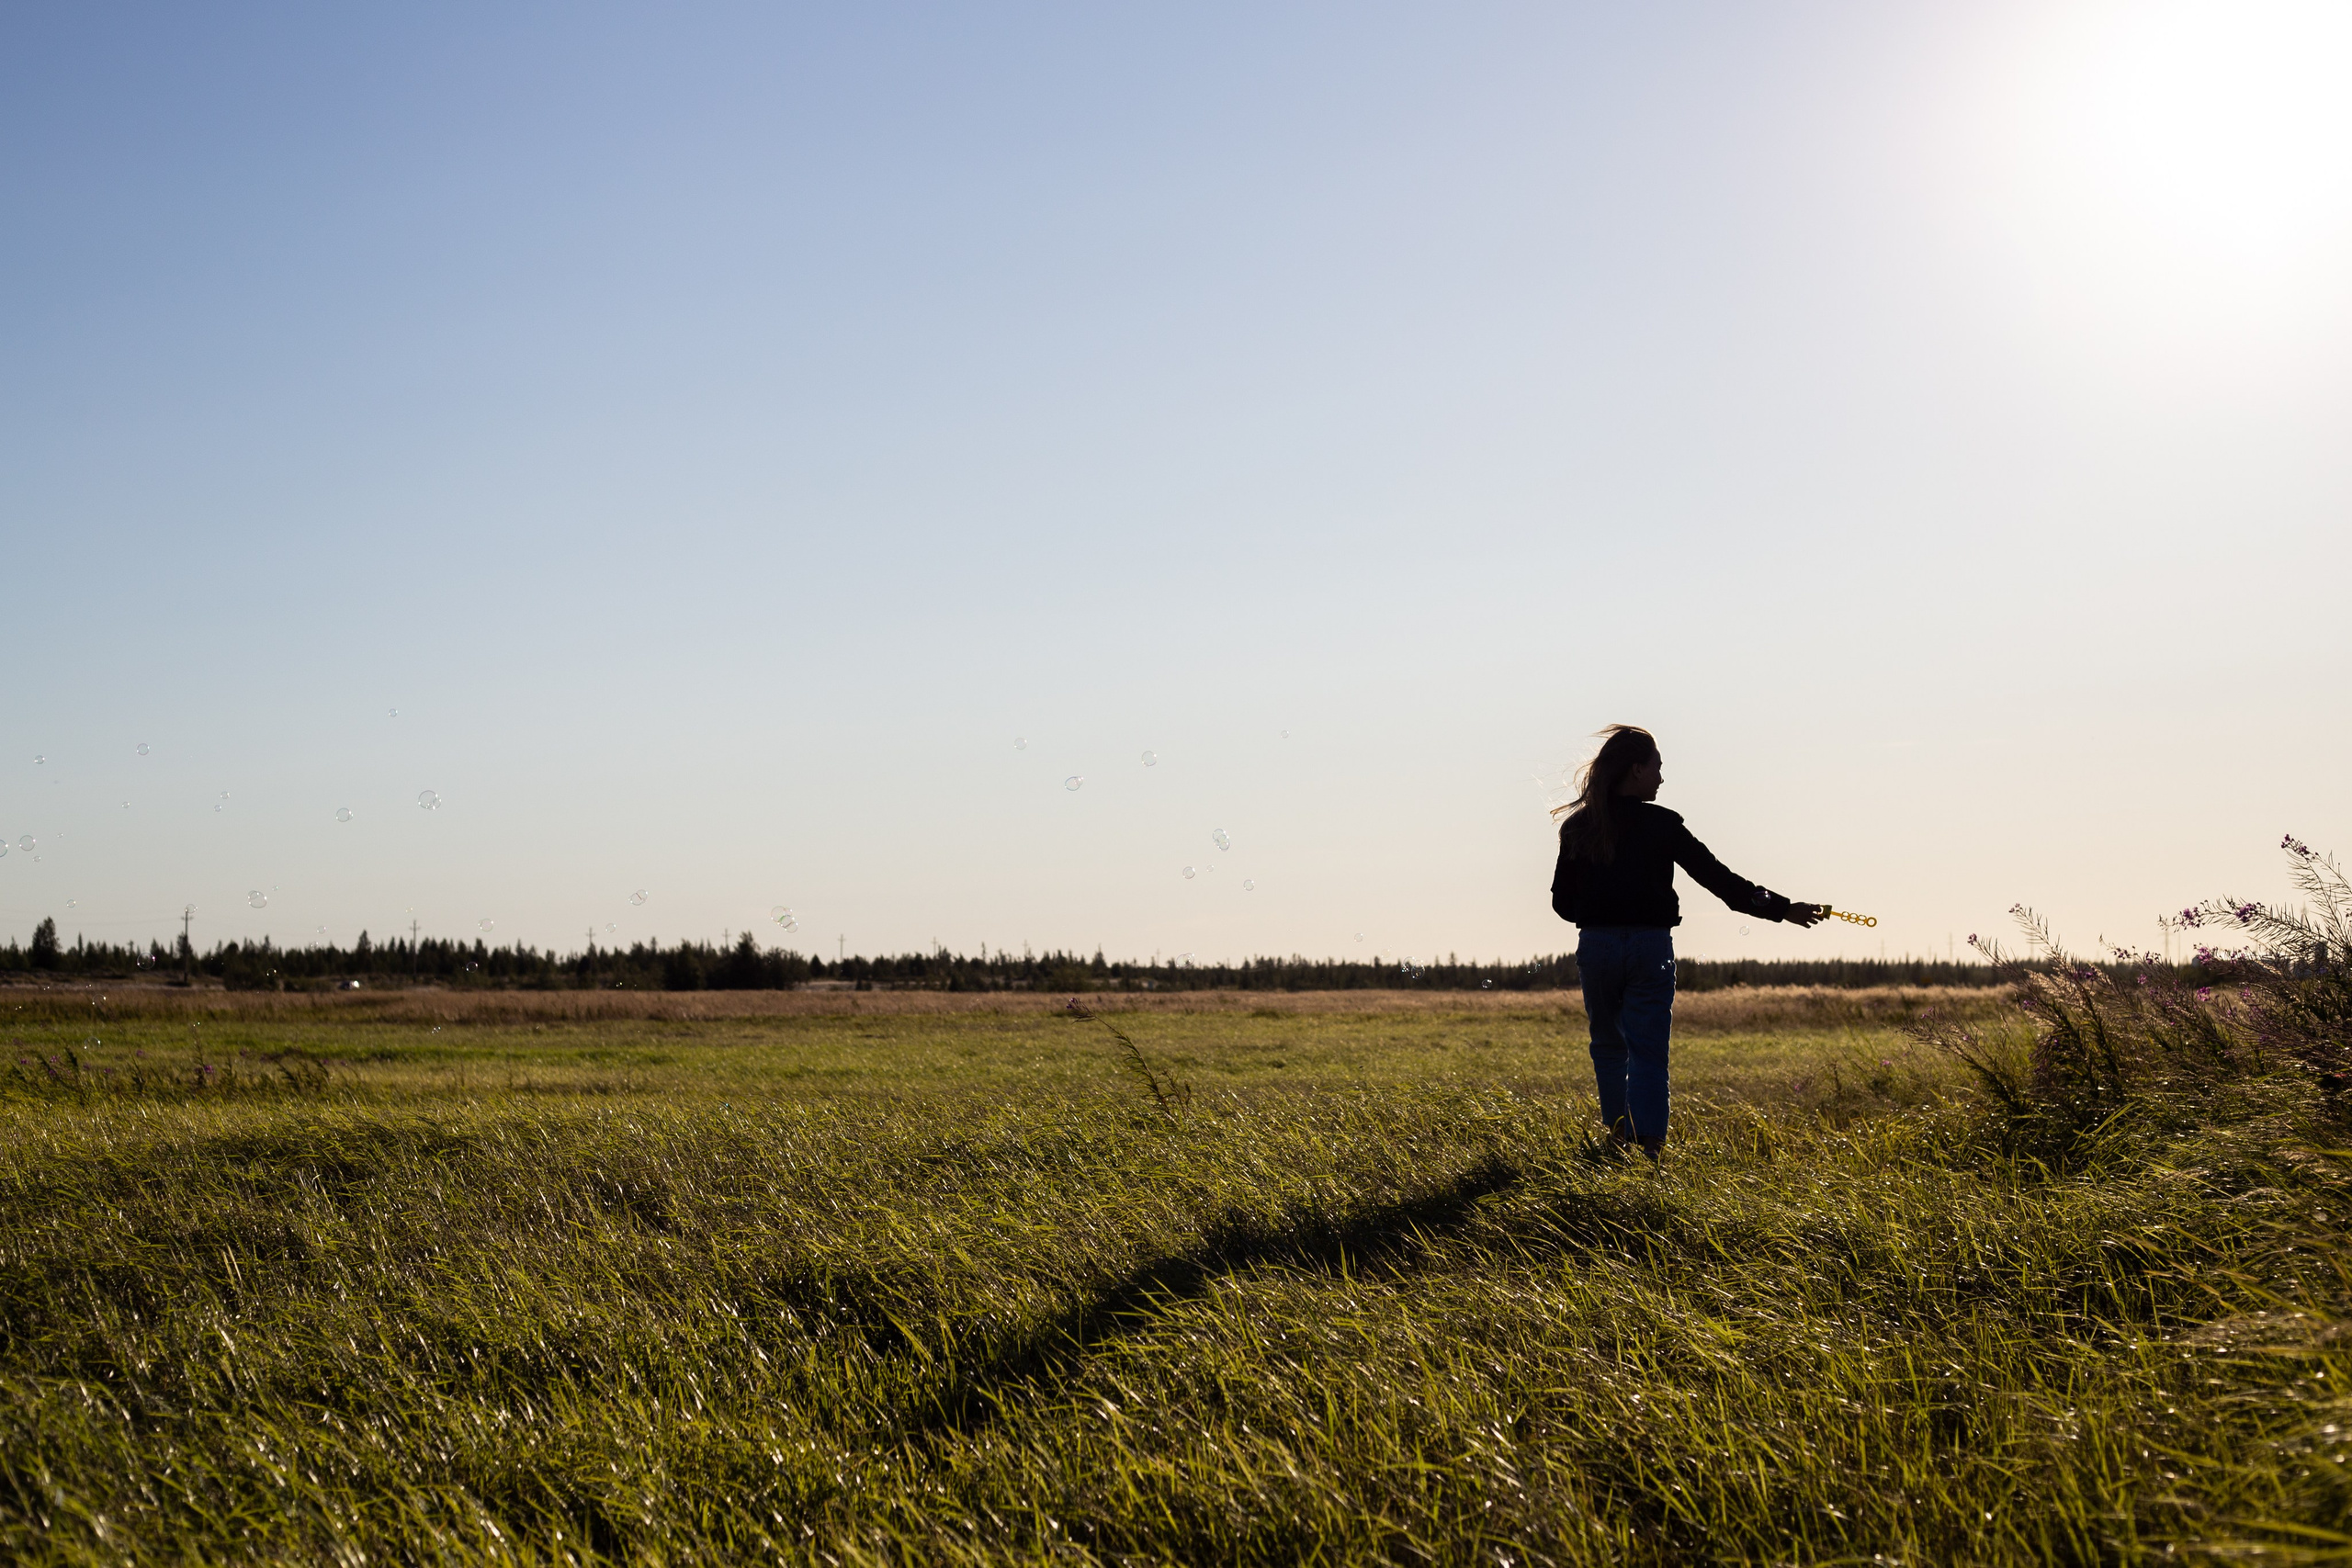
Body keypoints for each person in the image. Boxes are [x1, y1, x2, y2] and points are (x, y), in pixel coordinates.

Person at [1550, 725, 1825, 1159]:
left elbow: (1562, 904)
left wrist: (1602, 911)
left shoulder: (1580, 827)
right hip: (1650, 949)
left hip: (1597, 947)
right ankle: (1650, 1146)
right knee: (1648, 1050)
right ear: (1636, 770)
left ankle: (1619, 1137)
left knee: (1608, 1045)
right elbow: (1724, 883)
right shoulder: (1662, 825)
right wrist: (1783, 908)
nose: (1661, 778)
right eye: (1658, 768)